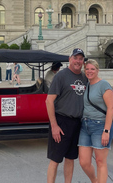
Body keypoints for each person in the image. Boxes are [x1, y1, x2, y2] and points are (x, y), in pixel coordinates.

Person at [45, 48, 87, 183]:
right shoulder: (61, 76)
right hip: (61, 122)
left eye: (81, 59)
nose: (78, 61)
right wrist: (54, 126)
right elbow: (49, 101)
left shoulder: (84, 77)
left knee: (70, 158)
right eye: (76, 58)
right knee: (55, 159)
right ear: (70, 59)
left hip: (77, 123)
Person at [78, 59, 113, 183]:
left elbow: (111, 108)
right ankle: (95, 180)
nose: (89, 71)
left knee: (100, 161)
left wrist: (106, 130)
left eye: (92, 69)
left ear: (97, 70)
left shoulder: (103, 84)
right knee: (83, 162)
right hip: (85, 125)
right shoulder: (87, 85)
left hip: (100, 126)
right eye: (87, 69)